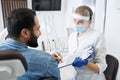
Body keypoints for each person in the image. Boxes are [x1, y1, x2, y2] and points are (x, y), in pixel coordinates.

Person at [0, 8, 62, 80]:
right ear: (25, 33)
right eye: (38, 29)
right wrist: (48, 61)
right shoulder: (46, 60)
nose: (40, 33)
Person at [68, 5, 107, 80]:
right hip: (76, 76)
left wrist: (85, 63)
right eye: (75, 20)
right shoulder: (72, 36)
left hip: (92, 77)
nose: (76, 24)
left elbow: (101, 67)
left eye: (80, 22)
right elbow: (71, 57)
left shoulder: (97, 36)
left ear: (90, 22)